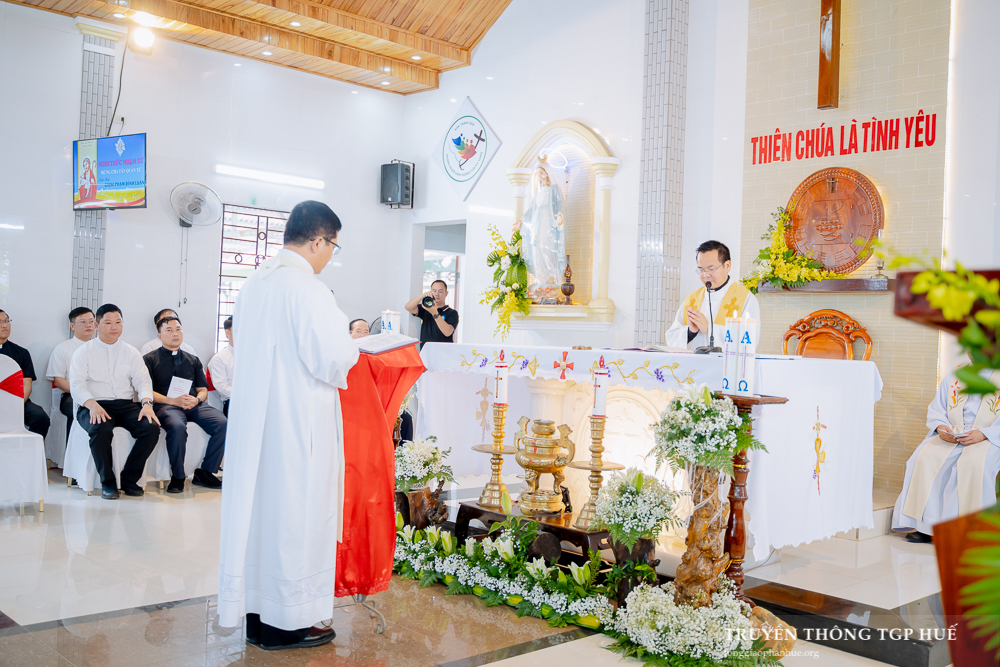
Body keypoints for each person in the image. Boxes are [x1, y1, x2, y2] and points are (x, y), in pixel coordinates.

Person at [218, 200, 358, 650]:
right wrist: (355, 345)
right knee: (296, 513)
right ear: (318, 240)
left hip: (257, 422)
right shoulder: (308, 289)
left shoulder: (255, 282)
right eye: (332, 245)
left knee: (261, 514)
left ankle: (259, 618)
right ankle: (287, 623)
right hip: (296, 421)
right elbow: (330, 359)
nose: (330, 255)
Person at [892, 365, 1000, 542]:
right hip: (953, 433)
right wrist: (941, 426)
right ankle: (926, 526)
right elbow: (937, 408)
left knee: (973, 465)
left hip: (990, 437)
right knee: (923, 459)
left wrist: (984, 434)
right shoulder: (954, 376)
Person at [69, 304, 161, 500]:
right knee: (99, 428)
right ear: (96, 325)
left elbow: (143, 380)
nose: (114, 327)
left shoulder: (131, 352)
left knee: (151, 428)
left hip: (125, 405)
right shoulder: (83, 352)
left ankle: (129, 479)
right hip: (94, 404)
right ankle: (108, 482)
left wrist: (146, 403)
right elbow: (76, 384)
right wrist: (91, 404)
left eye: (118, 322)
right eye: (108, 323)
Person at [144, 316, 226, 493]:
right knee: (177, 426)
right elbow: (146, 391)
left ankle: (205, 472)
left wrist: (197, 400)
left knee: (223, 423)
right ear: (159, 336)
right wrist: (172, 401)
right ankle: (178, 476)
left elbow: (202, 390)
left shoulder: (193, 359)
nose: (175, 333)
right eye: (169, 330)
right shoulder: (149, 359)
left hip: (193, 405)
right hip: (166, 406)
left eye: (178, 329)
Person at [663, 241, 760, 351]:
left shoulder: (745, 298)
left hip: (725, 362)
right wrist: (690, 332)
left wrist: (710, 328)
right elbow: (671, 337)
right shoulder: (692, 299)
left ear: (727, 266)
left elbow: (750, 339)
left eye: (711, 269)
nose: (705, 275)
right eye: (701, 270)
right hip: (693, 362)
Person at [46, 307, 97, 440]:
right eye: (83, 322)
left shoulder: (101, 347)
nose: (88, 325)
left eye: (91, 321)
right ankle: (72, 449)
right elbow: (59, 381)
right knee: (75, 410)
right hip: (71, 395)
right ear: (72, 326)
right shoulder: (62, 348)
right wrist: (82, 393)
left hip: (99, 393)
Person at [0, 310, 50, 437]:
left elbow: (26, 385)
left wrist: (16, 405)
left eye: (6, 321)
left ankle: (29, 449)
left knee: (40, 417)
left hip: (16, 401)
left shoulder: (21, 353)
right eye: (0, 322)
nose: (4, 325)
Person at [405, 280, 458, 345]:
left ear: (446, 293)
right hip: (426, 350)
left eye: (440, 291)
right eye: (434, 291)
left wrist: (434, 313)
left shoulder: (452, 313)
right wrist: (423, 296)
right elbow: (408, 307)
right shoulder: (426, 308)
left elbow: (447, 332)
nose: (437, 294)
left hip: (444, 351)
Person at [208, 317, 235, 417]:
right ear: (227, 333)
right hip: (233, 402)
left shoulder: (254, 356)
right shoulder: (219, 358)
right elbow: (222, 386)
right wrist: (244, 396)